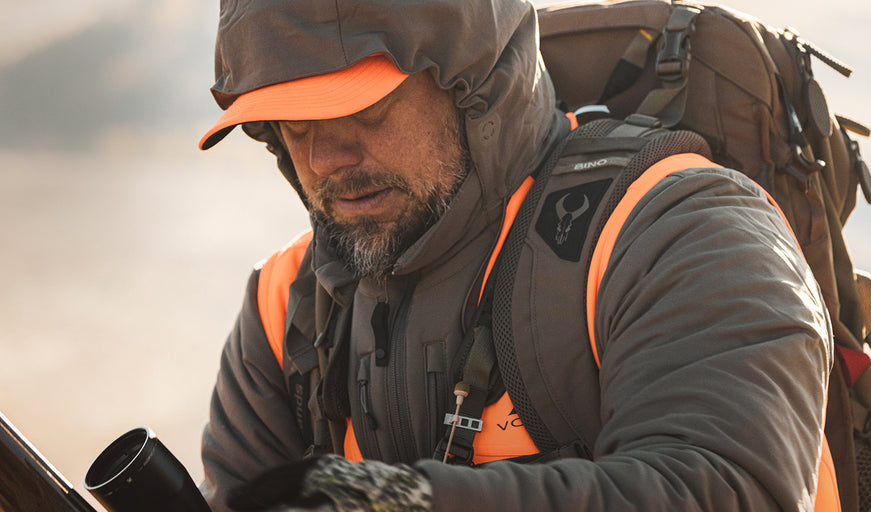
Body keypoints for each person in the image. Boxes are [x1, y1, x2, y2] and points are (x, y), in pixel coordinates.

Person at [197, 0, 835, 510]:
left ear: (472, 83)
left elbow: (728, 492)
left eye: (363, 108)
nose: (324, 158)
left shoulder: (682, 230)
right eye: (292, 122)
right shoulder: (287, 304)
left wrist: (401, 504)